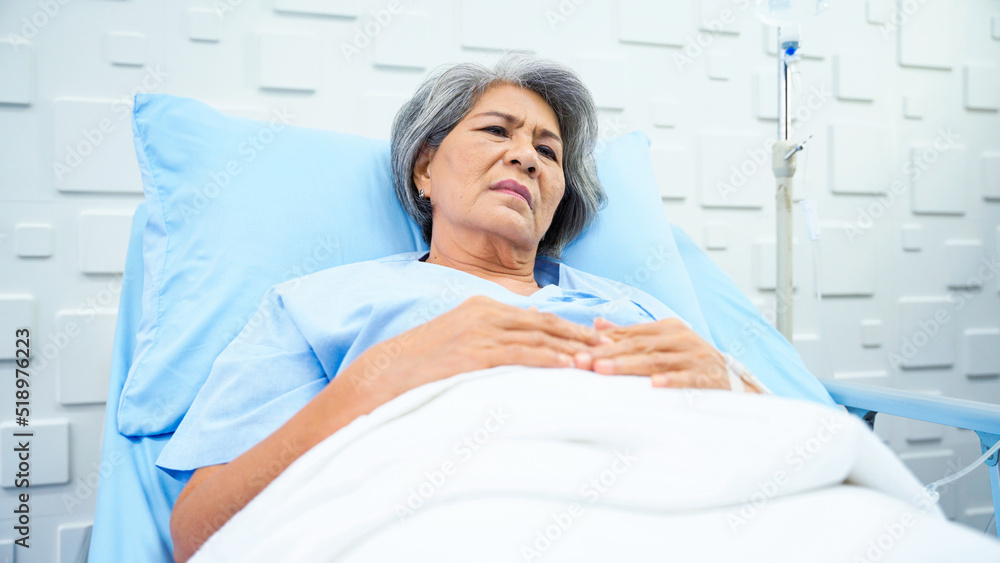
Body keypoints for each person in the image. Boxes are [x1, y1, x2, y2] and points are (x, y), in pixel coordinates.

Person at [166, 52, 764, 562]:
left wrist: (737, 390)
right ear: (425, 167)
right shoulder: (320, 304)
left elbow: (786, 449)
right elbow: (198, 531)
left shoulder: (632, 306)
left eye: (548, 152)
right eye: (497, 131)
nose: (527, 157)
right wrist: (384, 376)